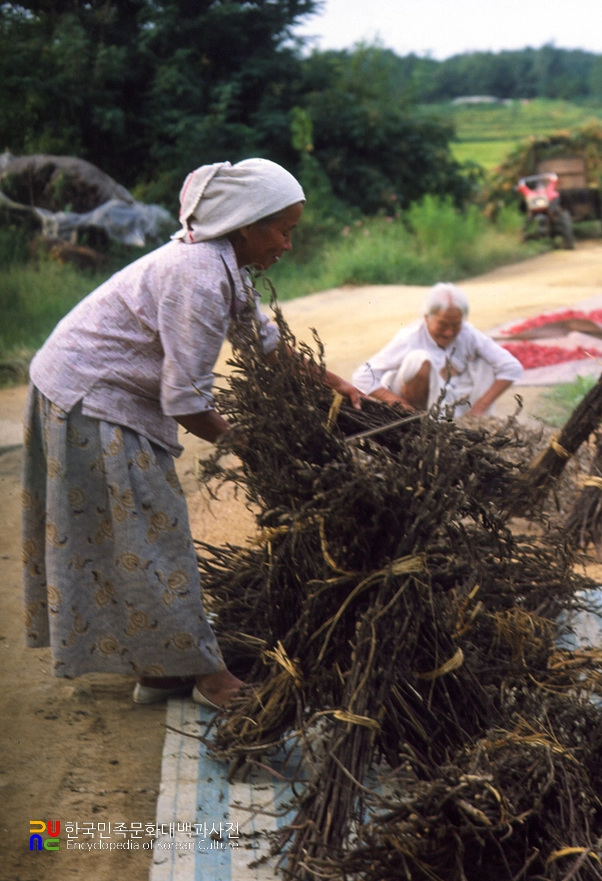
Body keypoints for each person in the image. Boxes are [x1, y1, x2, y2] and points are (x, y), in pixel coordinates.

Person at [21, 158, 363, 709]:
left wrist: (333, 383)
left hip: (92, 395)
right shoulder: (199, 278)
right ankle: (209, 677)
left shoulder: (225, 264)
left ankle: (163, 671)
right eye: (283, 230)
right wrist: (250, 448)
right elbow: (185, 401)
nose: (288, 245)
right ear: (245, 225)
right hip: (89, 400)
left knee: (136, 536)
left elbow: (264, 345)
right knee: (155, 535)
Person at [351, 283, 523, 419]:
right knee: (419, 359)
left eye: (456, 325)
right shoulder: (410, 338)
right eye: (442, 324)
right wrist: (398, 403)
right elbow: (363, 376)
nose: (449, 332)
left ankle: (469, 420)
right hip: (415, 402)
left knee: (486, 361)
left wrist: (479, 408)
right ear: (427, 317)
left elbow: (511, 366)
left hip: (455, 404)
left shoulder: (468, 334)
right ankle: (418, 420)